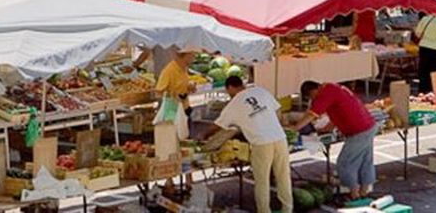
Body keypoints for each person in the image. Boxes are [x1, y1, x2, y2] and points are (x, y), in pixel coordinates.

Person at [205, 77, 293, 213]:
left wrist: (203, 136)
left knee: (262, 181)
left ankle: (264, 211)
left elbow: (217, 125)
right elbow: (278, 111)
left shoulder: (234, 104)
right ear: (242, 84)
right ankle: (287, 209)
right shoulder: (260, 91)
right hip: (280, 138)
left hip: (261, 143)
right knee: (283, 176)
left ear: (230, 88)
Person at [292, 82, 377, 201]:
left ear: (314, 90)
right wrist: (328, 128)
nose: (313, 99)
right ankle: (364, 191)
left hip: (359, 130)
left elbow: (312, 114)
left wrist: (294, 129)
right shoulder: (334, 88)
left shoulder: (325, 93)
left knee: (345, 162)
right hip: (368, 125)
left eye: (311, 96)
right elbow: (339, 109)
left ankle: (354, 194)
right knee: (365, 160)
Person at [156, 50, 196, 114]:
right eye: (193, 55)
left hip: (185, 108)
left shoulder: (184, 68)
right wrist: (173, 96)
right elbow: (158, 92)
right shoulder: (169, 71)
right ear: (186, 56)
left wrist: (189, 87)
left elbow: (181, 85)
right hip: (173, 112)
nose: (194, 58)